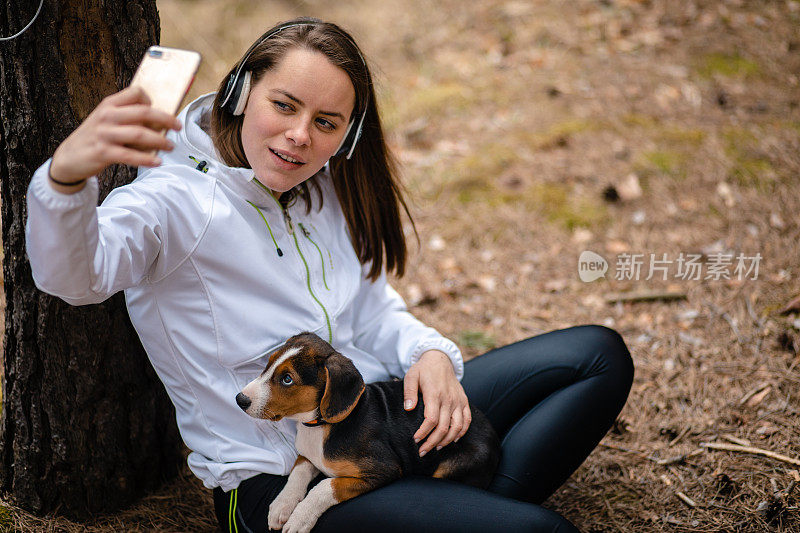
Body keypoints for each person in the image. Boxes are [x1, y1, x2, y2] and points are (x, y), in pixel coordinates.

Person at [25, 17, 633, 533]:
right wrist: (66, 178)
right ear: (240, 91)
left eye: (326, 121)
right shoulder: (174, 203)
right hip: (271, 484)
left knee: (597, 356)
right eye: (283, 105)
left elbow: (370, 309)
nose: (299, 136)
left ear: (348, 132)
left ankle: (452, 508)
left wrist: (429, 354)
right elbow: (75, 276)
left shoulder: (319, 188)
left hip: (375, 420)